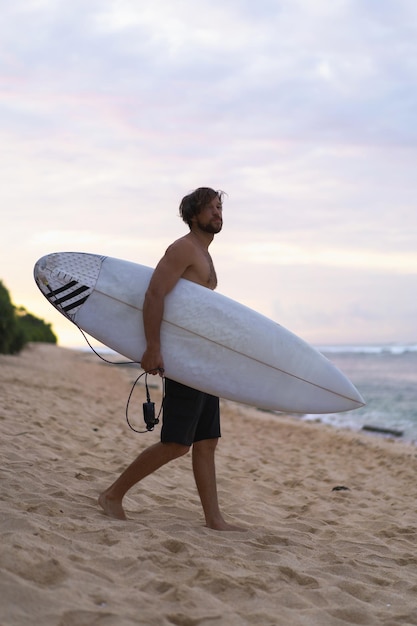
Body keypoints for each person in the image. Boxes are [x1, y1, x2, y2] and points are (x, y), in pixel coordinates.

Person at [99, 187, 243, 531]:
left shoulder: (204, 254)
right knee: (177, 443)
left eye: (220, 207)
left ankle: (214, 519)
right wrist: (153, 347)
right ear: (194, 215)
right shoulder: (183, 249)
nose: (218, 213)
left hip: (202, 361)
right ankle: (112, 495)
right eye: (211, 208)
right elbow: (154, 293)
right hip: (185, 360)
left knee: (207, 441)